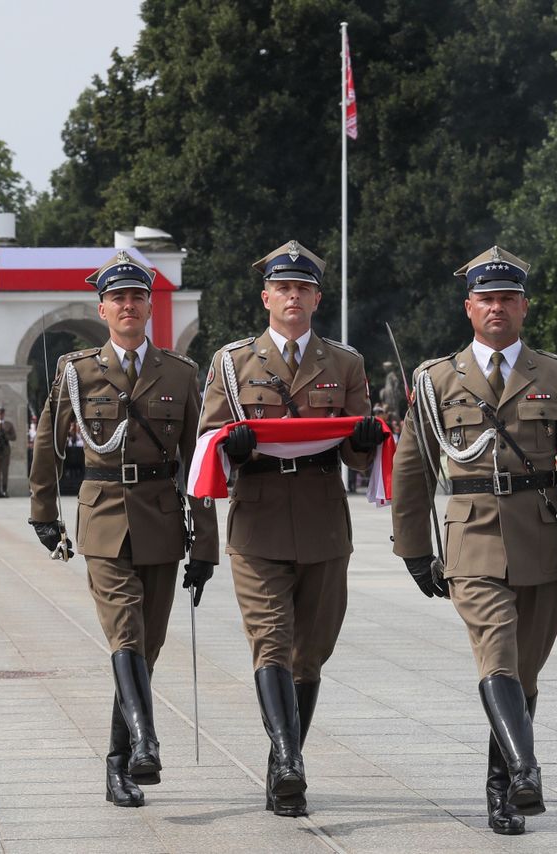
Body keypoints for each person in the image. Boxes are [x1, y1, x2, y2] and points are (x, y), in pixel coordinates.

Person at [391, 245, 557, 836]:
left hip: (541, 537)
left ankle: (502, 787)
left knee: (523, 673)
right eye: (486, 299)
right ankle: (525, 770)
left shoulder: (556, 376)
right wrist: (414, 549)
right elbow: (412, 471)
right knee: (497, 653)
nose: (497, 307)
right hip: (473, 538)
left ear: (524, 307)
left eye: (508, 298)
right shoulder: (436, 379)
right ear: (468, 307)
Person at [198, 240, 384, 817]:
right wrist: (234, 446)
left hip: (323, 518)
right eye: (283, 288)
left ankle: (285, 759)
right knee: (271, 639)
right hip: (258, 520)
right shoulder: (232, 363)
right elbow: (206, 441)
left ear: (317, 298)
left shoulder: (344, 364)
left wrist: (364, 441)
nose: (293, 296)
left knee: (311, 653)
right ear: (266, 298)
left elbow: (356, 457)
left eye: (303, 288)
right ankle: (287, 761)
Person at [29, 250, 218, 809]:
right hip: (104, 516)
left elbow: (199, 462)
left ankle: (118, 764)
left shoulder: (180, 373)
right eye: (119, 298)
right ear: (103, 309)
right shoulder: (78, 371)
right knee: (125, 634)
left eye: (138, 297)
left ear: (149, 307)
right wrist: (44, 513)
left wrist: (205, 544)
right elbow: (47, 444)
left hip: (161, 519)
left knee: (147, 646)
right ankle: (145, 741)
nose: (129, 305)